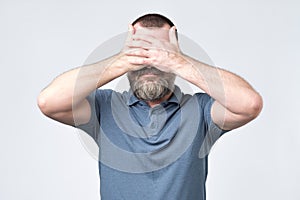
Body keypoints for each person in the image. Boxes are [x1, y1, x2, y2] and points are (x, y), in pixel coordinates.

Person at [37, 13, 263, 200]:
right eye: (141, 52)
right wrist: (122, 60)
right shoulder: (104, 108)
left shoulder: (200, 111)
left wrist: (178, 61)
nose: (150, 63)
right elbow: (49, 102)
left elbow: (249, 104)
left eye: (160, 54)